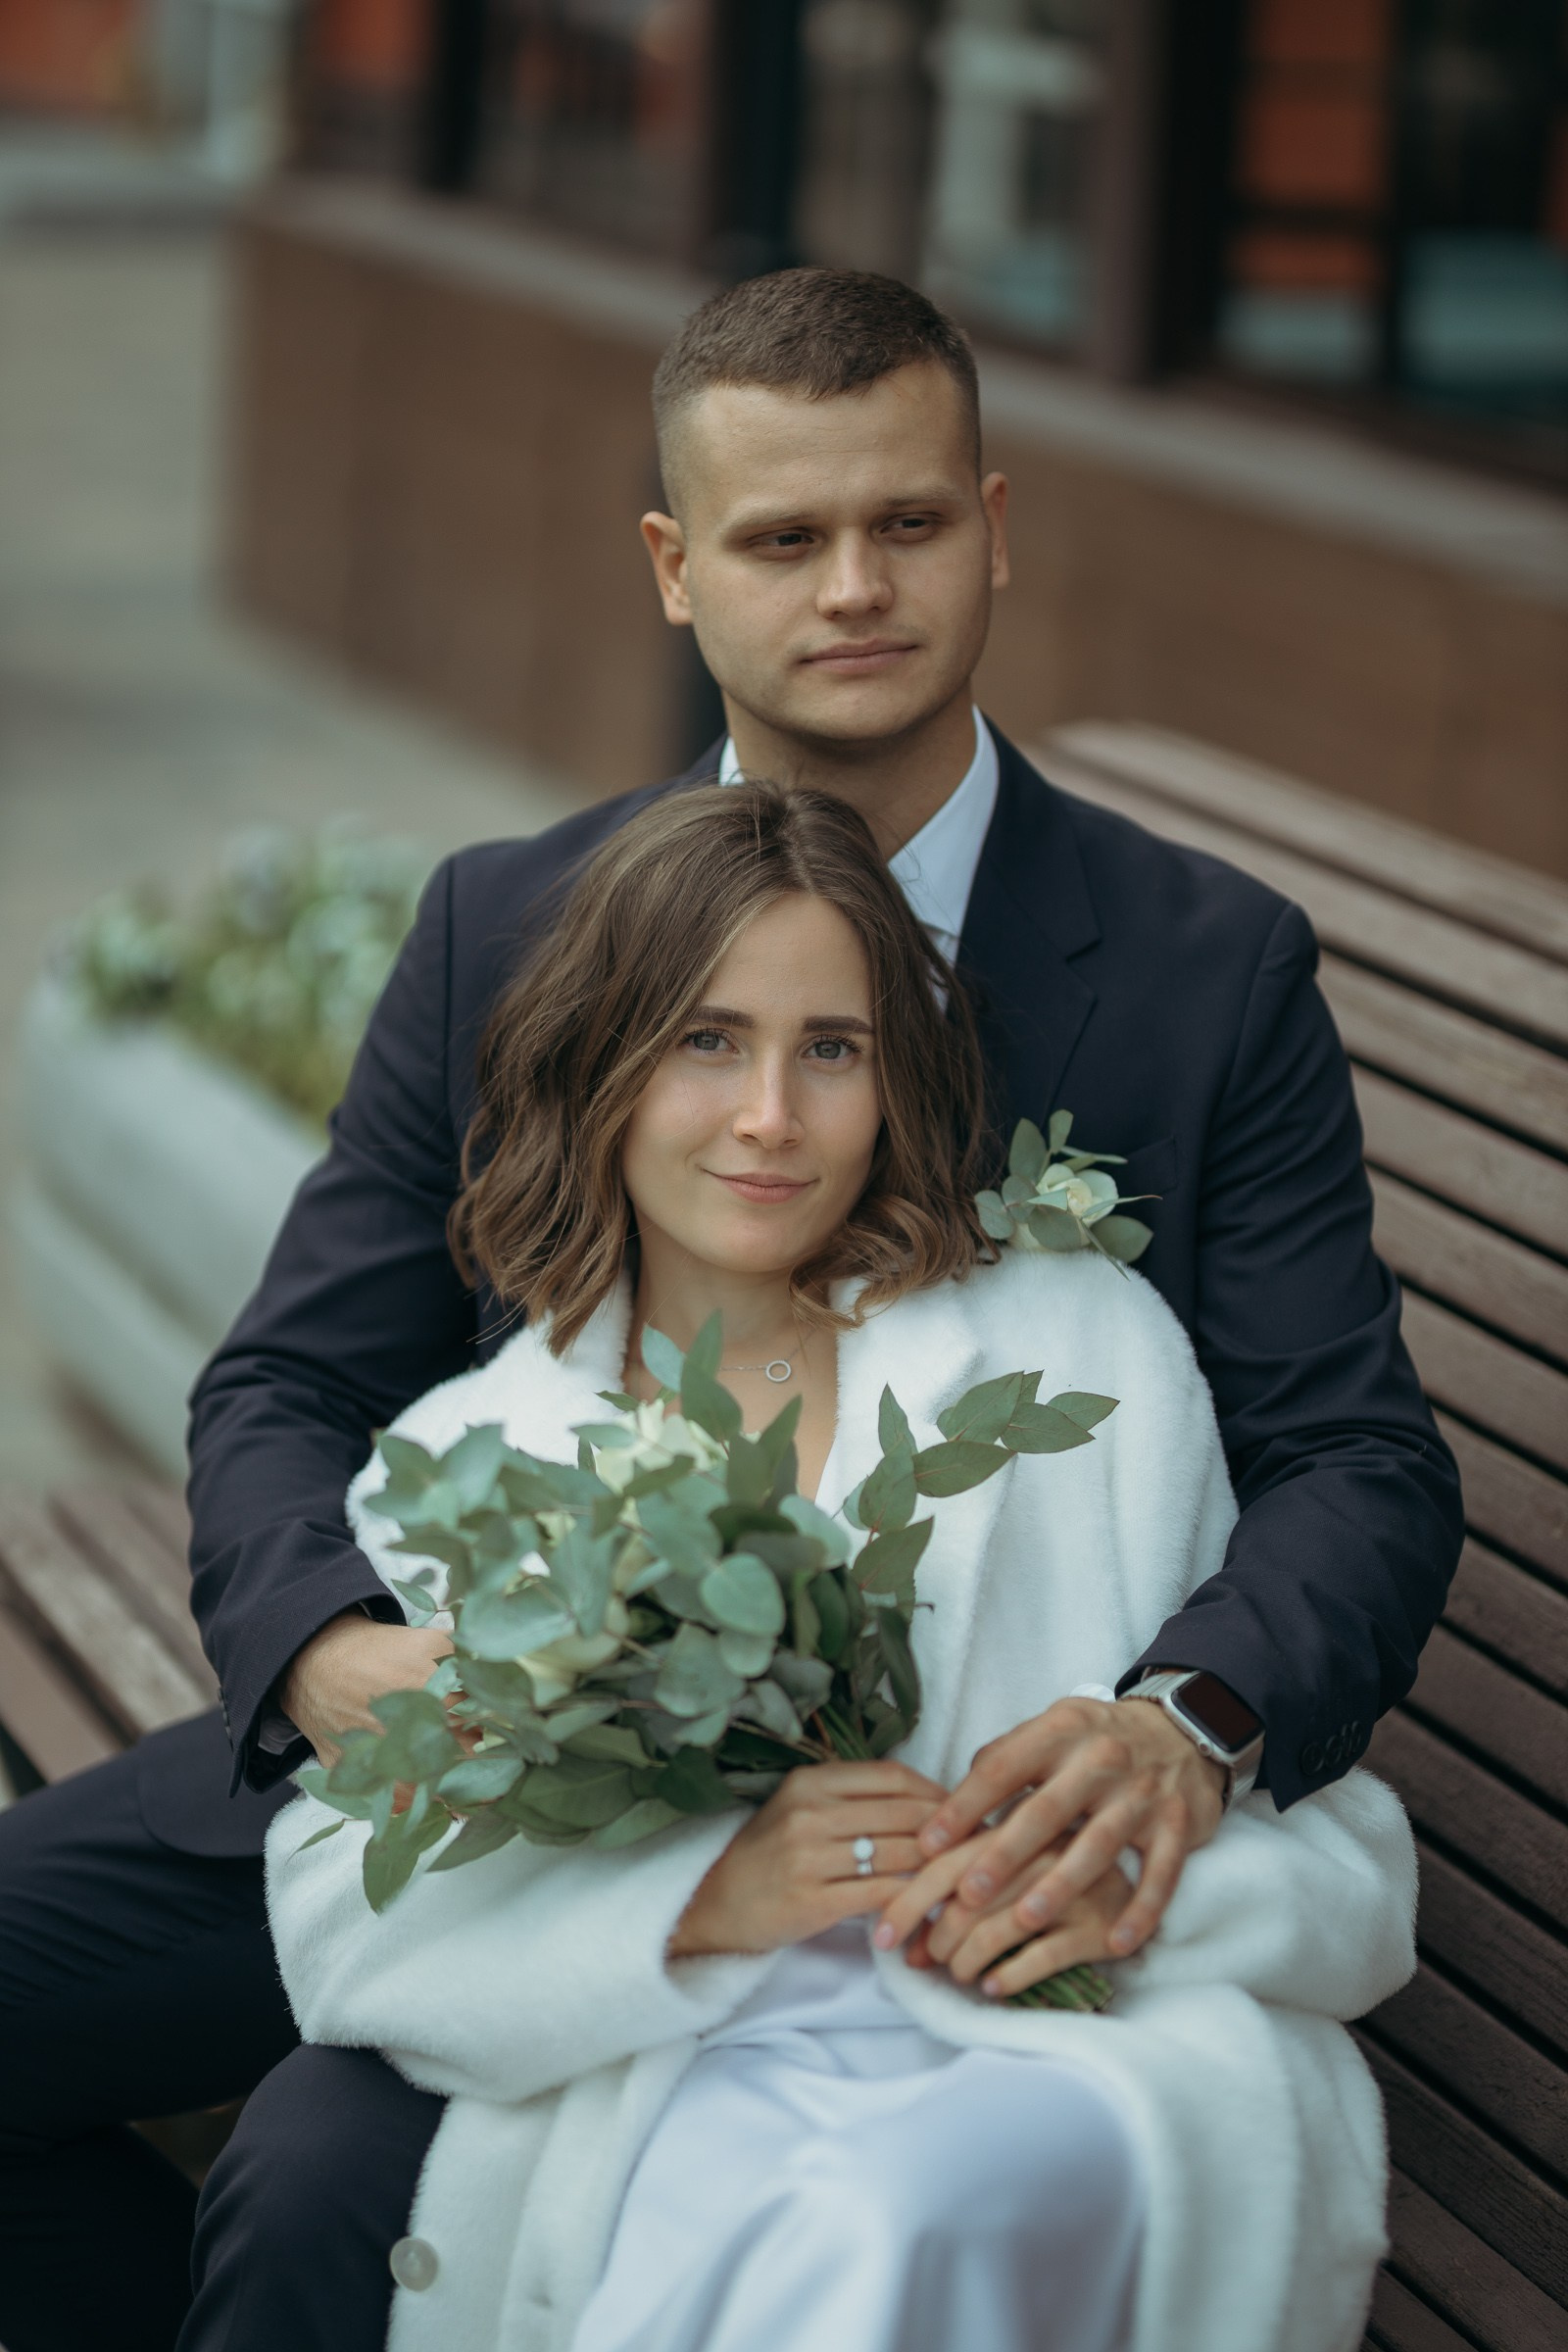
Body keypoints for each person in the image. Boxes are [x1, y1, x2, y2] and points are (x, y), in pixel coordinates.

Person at [0, 267, 1458, 2352]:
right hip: (509, 1798)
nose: (853, 588)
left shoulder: (1202, 967)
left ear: (993, 529)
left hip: (941, 1851)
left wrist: (1185, 1723)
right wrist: (335, 1654)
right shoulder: (507, 923)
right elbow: (295, 1380)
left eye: (908, 522)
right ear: (676, 571)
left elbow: (1353, 1457)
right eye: (782, 538)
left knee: (321, 2181)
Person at [267, 778, 1417, 2352]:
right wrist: (701, 1900)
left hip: (1075, 2056)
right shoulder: (478, 1468)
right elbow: (342, 1921)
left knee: (887, 2215)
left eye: (832, 1049)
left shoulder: (1079, 1354)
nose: (770, 1116)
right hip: (686, 2057)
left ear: (895, 1082)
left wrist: (1101, 1881)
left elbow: (1311, 1831)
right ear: (600, 1065)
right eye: (706, 1040)